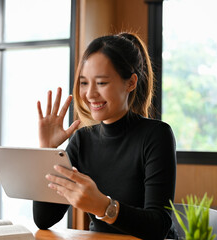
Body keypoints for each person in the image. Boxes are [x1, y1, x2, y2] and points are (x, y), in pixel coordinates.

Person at [33, 32, 177, 240]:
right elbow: (44, 219)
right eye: (84, 83)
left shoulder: (156, 135)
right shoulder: (82, 140)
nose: (90, 94)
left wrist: (104, 207)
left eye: (101, 83)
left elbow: (159, 226)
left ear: (130, 83)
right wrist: (47, 152)